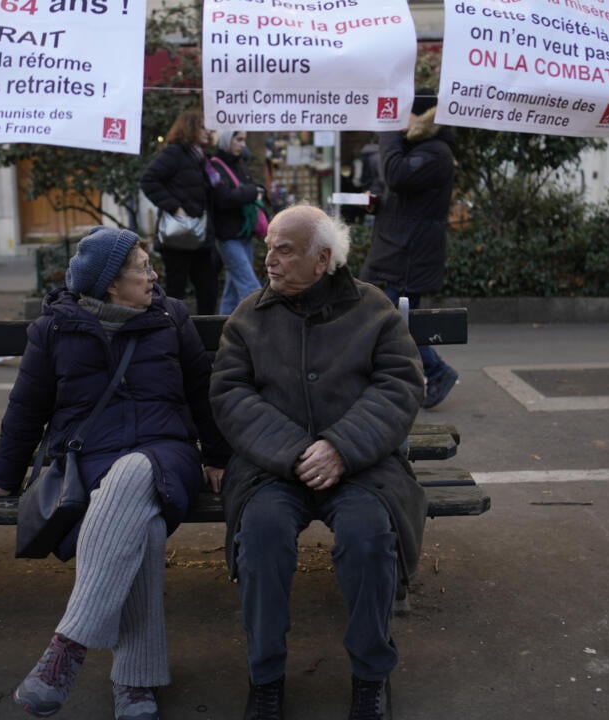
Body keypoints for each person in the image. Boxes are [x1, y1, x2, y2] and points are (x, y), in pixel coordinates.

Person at [0, 226, 229, 720]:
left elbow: (200, 388)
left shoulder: (170, 317)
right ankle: (134, 682)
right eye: (142, 269)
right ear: (109, 285)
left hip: (166, 452)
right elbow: (26, 407)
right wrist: (3, 475)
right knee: (139, 526)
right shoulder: (55, 327)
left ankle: (69, 644)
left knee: (133, 474)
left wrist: (216, 455)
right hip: (89, 458)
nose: (153, 276)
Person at [210, 206, 426, 720]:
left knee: (369, 535)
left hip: (362, 466)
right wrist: (293, 451)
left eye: (284, 249)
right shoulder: (249, 316)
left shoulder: (373, 310)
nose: (270, 260)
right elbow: (229, 393)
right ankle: (265, 677)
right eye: (269, 249)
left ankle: (371, 675)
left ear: (322, 259)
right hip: (270, 468)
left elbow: (400, 385)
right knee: (260, 535)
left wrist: (341, 447)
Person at [360, 90, 461, 409]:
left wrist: (388, 130)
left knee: (390, 322)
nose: (396, 120)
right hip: (395, 252)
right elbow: (393, 184)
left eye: (402, 114)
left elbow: (396, 174)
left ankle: (435, 371)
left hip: (408, 256)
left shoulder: (436, 152)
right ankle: (418, 376)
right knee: (393, 321)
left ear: (421, 117)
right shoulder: (416, 149)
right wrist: (376, 201)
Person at [141, 108, 218, 315]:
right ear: (190, 128)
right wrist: (176, 208)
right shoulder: (175, 153)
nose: (207, 131)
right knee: (176, 288)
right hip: (179, 234)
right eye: (202, 126)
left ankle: (205, 336)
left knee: (208, 288)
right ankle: (172, 331)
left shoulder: (203, 158)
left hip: (201, 234)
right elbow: (149, 180)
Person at [209, 129, 265, 314]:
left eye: (244, 140)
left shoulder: (239, 162)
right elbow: (223, 197)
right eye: (238, 139)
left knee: (232, 292)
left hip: (243, 232)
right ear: (226, 139)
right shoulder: (214, 166)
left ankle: (222, 331)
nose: (242, 144)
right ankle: (266, 326)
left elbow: (247, 187)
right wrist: (252, 191)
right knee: (251, 288)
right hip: (227, 235)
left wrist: (254, 189)